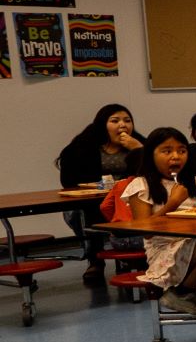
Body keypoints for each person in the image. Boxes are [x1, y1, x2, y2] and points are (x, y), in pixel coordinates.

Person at [125, 128, 196, 316]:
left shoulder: (193, 182)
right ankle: (183, 292)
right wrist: (172, 203)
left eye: (181, 150)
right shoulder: (141, 185)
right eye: (166, 151)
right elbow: (144, 229)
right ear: (150, 155)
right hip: (164, 251)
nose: (175, 156)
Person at [56, 104, 145, 281]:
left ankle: (134, 256)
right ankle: (95, 259)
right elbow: (68, 179)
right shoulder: (84, 145)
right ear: (102, 124)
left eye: (127, 120)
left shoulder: (139, 143)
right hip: (94, 200)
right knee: (78, 214)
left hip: (128, 199)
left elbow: (154, 171)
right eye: (115, 121)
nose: (122, 125)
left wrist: (139, 149)